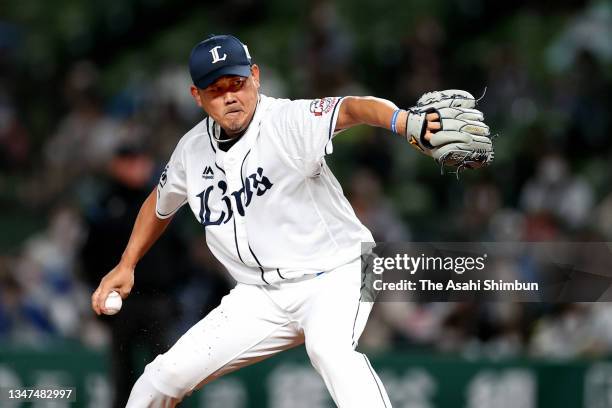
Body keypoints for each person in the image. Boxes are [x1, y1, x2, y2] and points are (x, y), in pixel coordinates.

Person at [90, 34, 454, 407]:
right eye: (216, 89)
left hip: (339, 272)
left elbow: (352, 108)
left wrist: (402, 120)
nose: (231, 96)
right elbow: (159, 202)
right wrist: (127, 263)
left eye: (237, 83)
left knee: (329, 350)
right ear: (196, 96)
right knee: (160, 380)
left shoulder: (288, 120)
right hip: (259, 296)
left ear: (256, 77)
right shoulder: (191, 151)